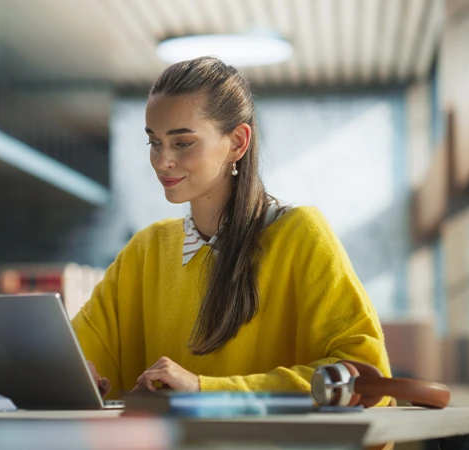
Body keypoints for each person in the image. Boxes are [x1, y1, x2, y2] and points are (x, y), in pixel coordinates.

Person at [71, 56, 391, 404]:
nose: (163, 161)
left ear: (238, 142)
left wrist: (204, 391)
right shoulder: (145, 251)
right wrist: (77, 372)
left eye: (182, 142)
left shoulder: (301, 235)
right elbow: (78, 353)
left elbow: (366, 377)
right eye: (154, 142)